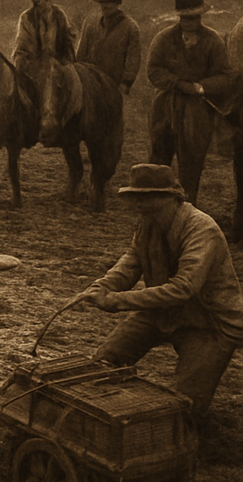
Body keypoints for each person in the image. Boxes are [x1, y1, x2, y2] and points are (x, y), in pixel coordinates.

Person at [77, 163, 243, 418]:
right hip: (159, 312)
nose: (141, 204)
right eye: (136, 197)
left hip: (206, 323)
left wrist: (117, 300)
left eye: (149, 197)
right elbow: (131, 263)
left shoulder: (202, 229)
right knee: (103, 364)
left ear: (172, 196)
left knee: (184, 408)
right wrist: (102, 286)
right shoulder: (147, 224)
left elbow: (184, 287)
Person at [146, 0, 237, 205]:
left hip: (197, 111)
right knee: (158, 159)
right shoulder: (164, 38)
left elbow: (225, 77)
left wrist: (201, 87)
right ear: (179, 16)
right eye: (186, 17)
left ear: (201, 16)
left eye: (195, 17)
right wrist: (177, 83)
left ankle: (187, 208)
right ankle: (153, 206)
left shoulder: (213, 40)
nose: (190, 22)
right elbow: (153, 70)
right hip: (165, 106)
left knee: (192, 163)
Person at [12, 0, 76, 95]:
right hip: (33, 70)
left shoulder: (59, 15)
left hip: (59, 68)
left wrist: (64, 62)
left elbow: (68, 42)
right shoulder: (26, 18)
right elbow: (21, 48)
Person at [75, 0, 142, 96]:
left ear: (118, 2)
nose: (105, 6)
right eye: (102, 2)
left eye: (110, 2)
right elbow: (81, 53)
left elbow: (133, 59)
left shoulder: (130, 27)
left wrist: (126, 84)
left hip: (114, 86)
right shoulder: (90, 23)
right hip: (89, 85)